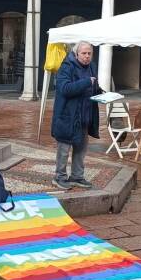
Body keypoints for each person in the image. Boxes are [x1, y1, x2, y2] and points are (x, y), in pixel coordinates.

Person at [51, 42, 102, 190]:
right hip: (67, 116)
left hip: (85, 115)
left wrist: (101, 93)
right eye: (84, 54)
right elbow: (65, 89)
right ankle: (59, 177)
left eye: (89, 54)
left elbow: (93, 86)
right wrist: (86, 82)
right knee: (64, 148)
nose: (87, 57)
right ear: (76, 54)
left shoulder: (92, 66)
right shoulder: (67, 66)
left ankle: (77, 176)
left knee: (81, 148)